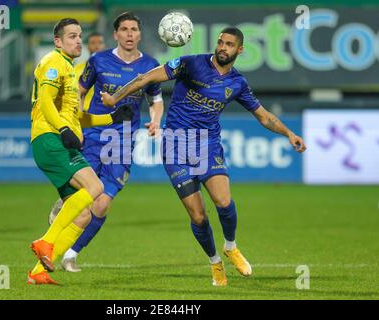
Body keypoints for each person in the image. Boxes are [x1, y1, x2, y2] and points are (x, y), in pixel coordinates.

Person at [101, 27, 307, 286]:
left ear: (239, 50)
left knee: (223, 201)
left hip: (207, 145)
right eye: (220, 42)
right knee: (198, 216)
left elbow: (263, 116)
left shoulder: (237, 84)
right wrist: (114, 98)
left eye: (229, 44)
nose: (223, 47)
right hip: (175, 146)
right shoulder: (190, 64)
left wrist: (288, 133)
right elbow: (145, 78)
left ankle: (231, 247)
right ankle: (215, 263)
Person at [50, 12, 164, 273]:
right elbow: (79, 91)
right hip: (93, 137)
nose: (129, 34)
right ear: (115, 34)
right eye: (124, 29)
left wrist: (156, 120)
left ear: (140, 34)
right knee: (85, 196)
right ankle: (62, 214)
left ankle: (70, 253)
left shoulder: (150, 66)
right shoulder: (98, 60)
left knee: (102, 203)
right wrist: (74, 120)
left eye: (134, 29)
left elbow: (155, 100)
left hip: (122, 142)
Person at [27, 18, 133, 285]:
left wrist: (111, 118)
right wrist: (63, 129)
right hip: (50, 138)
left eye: (79, 35)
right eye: (71, 36)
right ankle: (46, 241)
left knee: (84, 214)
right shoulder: (53, 61)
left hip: (58, 137)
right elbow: (46, 103)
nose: (78, 41)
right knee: (96, 187)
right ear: (58, 41)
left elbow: (79, 117)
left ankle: (38, 273)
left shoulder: (69, 67)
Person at [74, 32, 105, 112]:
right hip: (83, 113)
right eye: (93, 43)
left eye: (100, 43)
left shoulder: (112, 68)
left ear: (104, 46)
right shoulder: (77, 69)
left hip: (104, 114)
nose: (96, 46)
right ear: (87, 46)